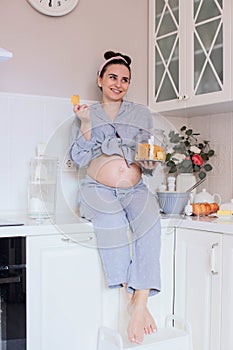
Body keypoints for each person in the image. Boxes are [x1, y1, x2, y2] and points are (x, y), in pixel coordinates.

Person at [70, 50, 161, 345]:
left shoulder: (141, 114)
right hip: (99, 190)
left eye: (125, 79)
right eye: (112, 77)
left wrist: (150, 161)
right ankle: (131, 298)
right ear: (100, 79)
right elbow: (80, 158)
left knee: (151, 223)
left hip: (134, 190)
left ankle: (140, 298)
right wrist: (85, 124)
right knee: (111, 223)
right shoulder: (88, 113)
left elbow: (148, 160)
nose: (118, 84)